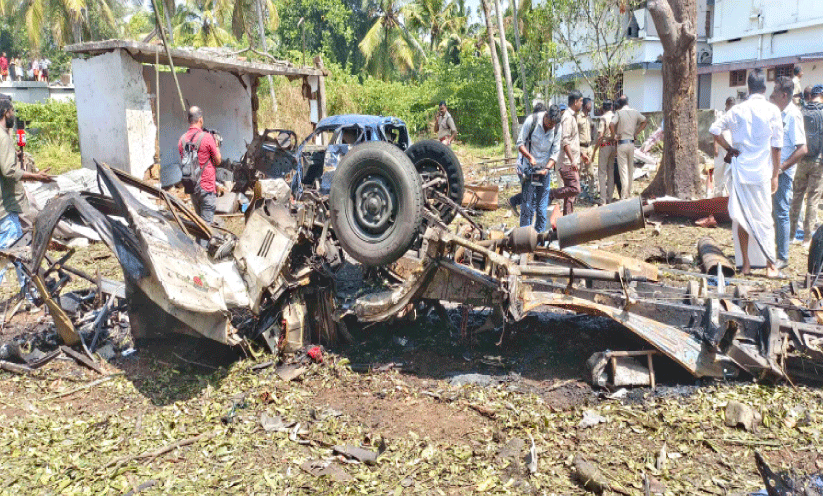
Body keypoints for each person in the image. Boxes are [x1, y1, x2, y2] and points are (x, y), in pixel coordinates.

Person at [710, 69, 783, 277]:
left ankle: (747, 265)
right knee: (764, 218)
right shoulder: (772, 111)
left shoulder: (737, 110)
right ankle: (770, 265)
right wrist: (775, 174)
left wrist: (728, 148)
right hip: (762, 172)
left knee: (741, 218)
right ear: (764, 88)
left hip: (741, 171)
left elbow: (715, 129)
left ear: (749, 87)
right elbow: (777, 146)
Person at [0, 98, 53, 289]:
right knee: (15, 253)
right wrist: (36, 177)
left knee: (13, 254)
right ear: (6, 112)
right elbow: (8, 171)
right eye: (12, 111)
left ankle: (30, 295)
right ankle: (31, 295)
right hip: (4, 208)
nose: (13, 115)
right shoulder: (3, 137)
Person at [770, 76, 807, 268]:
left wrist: (781, 168)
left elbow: (802, 149)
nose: (772, 95)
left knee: (782, 212)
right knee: (772, 212)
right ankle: (771, 252)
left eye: (775, 92)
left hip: (783, 173)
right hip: (773, 169)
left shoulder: (793, 115)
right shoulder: (778, 112)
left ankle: (782, 258)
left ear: (784, 95)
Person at [515, 104, 561, 231]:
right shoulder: (532, 120)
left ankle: (539, 238)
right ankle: (525, 236)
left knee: (541, 209)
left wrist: (547, 169)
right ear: (546, 115)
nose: (550, 126)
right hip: (529, 170)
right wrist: (530, 157)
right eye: (549, 123)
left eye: (553, 125)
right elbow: (519, 143)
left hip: (544, 171)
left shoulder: (557, 128)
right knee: (527, 207)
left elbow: (555, 152)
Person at [178, 106, 221, 230]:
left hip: (192, 187)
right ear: (200, 119)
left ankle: (199, 247)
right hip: (206, 188)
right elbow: (218, 160)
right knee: (206, 229)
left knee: (199, 226)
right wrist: (216, 145)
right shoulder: (207, 137)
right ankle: (201, 249)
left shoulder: (181, 140)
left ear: (188, 120)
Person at [790, 84, 823, 248]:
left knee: (796, 196)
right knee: (812, 200)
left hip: (801, 159)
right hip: (818, 161)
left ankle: (790, 235)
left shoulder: (800, 112)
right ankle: (807, 238)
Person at [508, 102, 547, 215]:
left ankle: (517, 203)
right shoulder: (531, 125)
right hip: (525, 164)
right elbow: (520, 144)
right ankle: (514, 201)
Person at [551, 90, 585, 215]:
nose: (582, 103)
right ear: (575, 102)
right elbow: (565, 141)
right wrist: (572, 160)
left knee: (570, 196)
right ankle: (552, 194)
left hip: (570, 160)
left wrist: (581, 154)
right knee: (575, 189)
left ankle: (567, 220)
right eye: (581, 101)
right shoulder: (567, 117)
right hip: (567, 162)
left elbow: (572, 140)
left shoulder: (571, 117)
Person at [609, 95, 646, 199]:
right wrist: (636, 132)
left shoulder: (619, 113)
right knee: (630, 170)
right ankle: (628, 193)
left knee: (623, 171)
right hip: (631, 144)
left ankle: (624, 196)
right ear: (627, 103)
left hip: (622, 144)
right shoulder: (635, 112)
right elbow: (645, 121)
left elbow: (611, 124)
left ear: (619, 105)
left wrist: (614, 136)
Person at [710, 97, 736, 197]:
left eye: (733, 105)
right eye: (729, 105)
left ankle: (729, 194)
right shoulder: (720, 115)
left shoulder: (735, 116)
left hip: (732, 149)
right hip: (721, 147)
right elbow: (715, 132)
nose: (731, 107)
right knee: (719, 170)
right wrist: (715, 147)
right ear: (726, 105)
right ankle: (718, 193)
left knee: (730, 171)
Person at [596, 100, 616, 204]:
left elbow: (600, 135)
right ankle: (610, 197)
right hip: (614, 145)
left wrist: (596, 147)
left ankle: (603, 199)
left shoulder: (603, 118)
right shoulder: (615, 116)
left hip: (605, 145)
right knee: (610, 171)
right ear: (611, 107)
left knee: (602, 173)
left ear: (603, 108)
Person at [577, 97, 595, 196]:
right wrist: (580, 150)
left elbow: (593, 130)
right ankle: (576, 194)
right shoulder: (578, 118)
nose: (591, 106)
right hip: (581, 148)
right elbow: (574, 135)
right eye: (589, 104)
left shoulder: (589, 118)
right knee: (578, 173)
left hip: (589, 148)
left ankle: (591, 194)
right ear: (584, 105)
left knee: (591, 173)